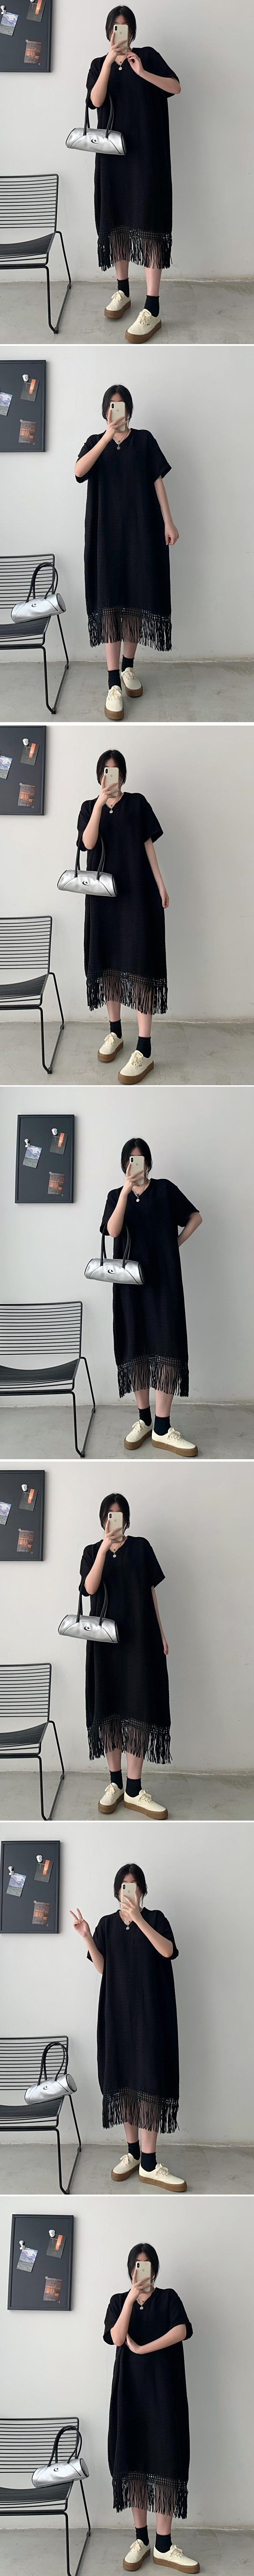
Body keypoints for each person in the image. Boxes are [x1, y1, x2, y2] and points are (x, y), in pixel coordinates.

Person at [70, 1859, 186, 2191]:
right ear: (117, 1890)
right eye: (124, 1886)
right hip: (118, 2015)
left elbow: (168, 1951)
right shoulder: (107, 1925)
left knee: (149, 2081)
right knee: (124, 2081)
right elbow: (103, 1967)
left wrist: (138, 1919)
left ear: (142, 1890)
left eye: (134, 1886)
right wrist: (87, 1937)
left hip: (151, 2016)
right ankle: (134, 2153)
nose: (129, 1891)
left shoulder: (156, 1919)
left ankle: (149, 2164)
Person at [75, 382, 178, 718]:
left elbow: (158, 482)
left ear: (129, 410)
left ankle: (128, 667)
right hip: (105, 535)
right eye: (111, 405)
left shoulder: (145, 440)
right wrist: (107, 436)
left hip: (141, 532)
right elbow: (79, 472)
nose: (116, 410)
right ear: (105, 411)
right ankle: (112, 683)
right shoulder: (96, 442)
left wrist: (169, 522)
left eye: (120, 405)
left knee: (135, 601)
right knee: (110, 605)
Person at [103, 2238, 199, 2573]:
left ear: (154, 2269)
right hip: (130, 2395)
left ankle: (164, 2544)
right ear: (130, 2269)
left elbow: (182, 2330)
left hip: (165, 2394)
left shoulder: (169, 2298)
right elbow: (117, 2337)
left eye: (145, 2265)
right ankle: (141, 2540)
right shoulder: (119, 2301)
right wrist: (132, 2296)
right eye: (136, 2265)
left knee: (166, 2460)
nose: (140, 2270)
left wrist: (144, 2349)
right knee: (134, 2461)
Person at [101, 1138, 202, 1453]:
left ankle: (162, 1426)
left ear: (149, 1162)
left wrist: (174, 1245)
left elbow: (195, 1217)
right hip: (130, 1286)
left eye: (141, 1158)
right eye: (130, 1160)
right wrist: (126, 1191)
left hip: (164, 1282)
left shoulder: (166, 1190)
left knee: (167, 1344)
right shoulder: (116, 1196)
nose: (136, 1164)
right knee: (137, 1344)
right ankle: (144, 1420)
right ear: (124, 1165)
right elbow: (113, 1231)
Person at [86, 10, 181, 340]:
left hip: (148, 157)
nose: (120, 34)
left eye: (125, 30)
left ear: (133, 33)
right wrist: (109, 62)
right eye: (116, 29)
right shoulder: (99, 65)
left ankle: (153, 308)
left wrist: (142, 72)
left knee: (150, 225)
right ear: (108, 33)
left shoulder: (149, 57)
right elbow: (95, 100)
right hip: (113, 157)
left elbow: (176, 88)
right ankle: (123, 291)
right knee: (117, 222)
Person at [77, 746, 168, 1081]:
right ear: (99, 776)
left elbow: (148, 846)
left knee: (141, 966)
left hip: (138, 897)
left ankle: (145, 1048)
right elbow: (88, 844)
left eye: (114, 772)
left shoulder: (138, 803)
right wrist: (100, 804)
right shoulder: (89, 807)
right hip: (103, 900)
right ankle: (115, 1032)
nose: (110, 778)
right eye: (105, 772)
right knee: (109, 965)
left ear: (123, 775)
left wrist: (161, 885)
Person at [80, 1487, 171, 1816]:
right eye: (109, 1516)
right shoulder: (92, 1551)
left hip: (140, 1641)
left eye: (118, 1516)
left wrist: (161, 1632)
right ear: (103, 1519)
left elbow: (151, 1593)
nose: (113, 1521)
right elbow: (90, 1588)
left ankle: (134, 1788)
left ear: (126, 1519)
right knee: (109, 1710)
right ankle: (115, 1783)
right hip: (104, 1644)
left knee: (138, 1708)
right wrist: (105, 1547)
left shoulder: (142, 1547)